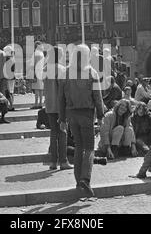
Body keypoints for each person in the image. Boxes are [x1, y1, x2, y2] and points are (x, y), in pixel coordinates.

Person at [59, 44, 105, 198]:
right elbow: (97, 97)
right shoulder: (91, 72)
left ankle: (78, 181)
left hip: (71, 114)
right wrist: (101, 116)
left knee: (79, 147)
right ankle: (85, 178)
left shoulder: (65, 72)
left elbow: (61, 98)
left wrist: (62, 118)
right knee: (89, 148)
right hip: (86, 114)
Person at [44, 46, 72, 171]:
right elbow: (65, 89)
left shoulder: (45, 69)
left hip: (49, 104)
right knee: (62, 133)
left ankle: (53, 162)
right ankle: (63, 161)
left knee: (53, 133)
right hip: (61, 106)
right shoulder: (62, 69)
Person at [31, 41, 44, 109]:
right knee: (41, 89)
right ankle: (40, 103)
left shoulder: (35, 54)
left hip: (36, 72)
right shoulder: (41, 53)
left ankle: (36, 104)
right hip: (42, 72)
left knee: (36, 89)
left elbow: (32, 64)